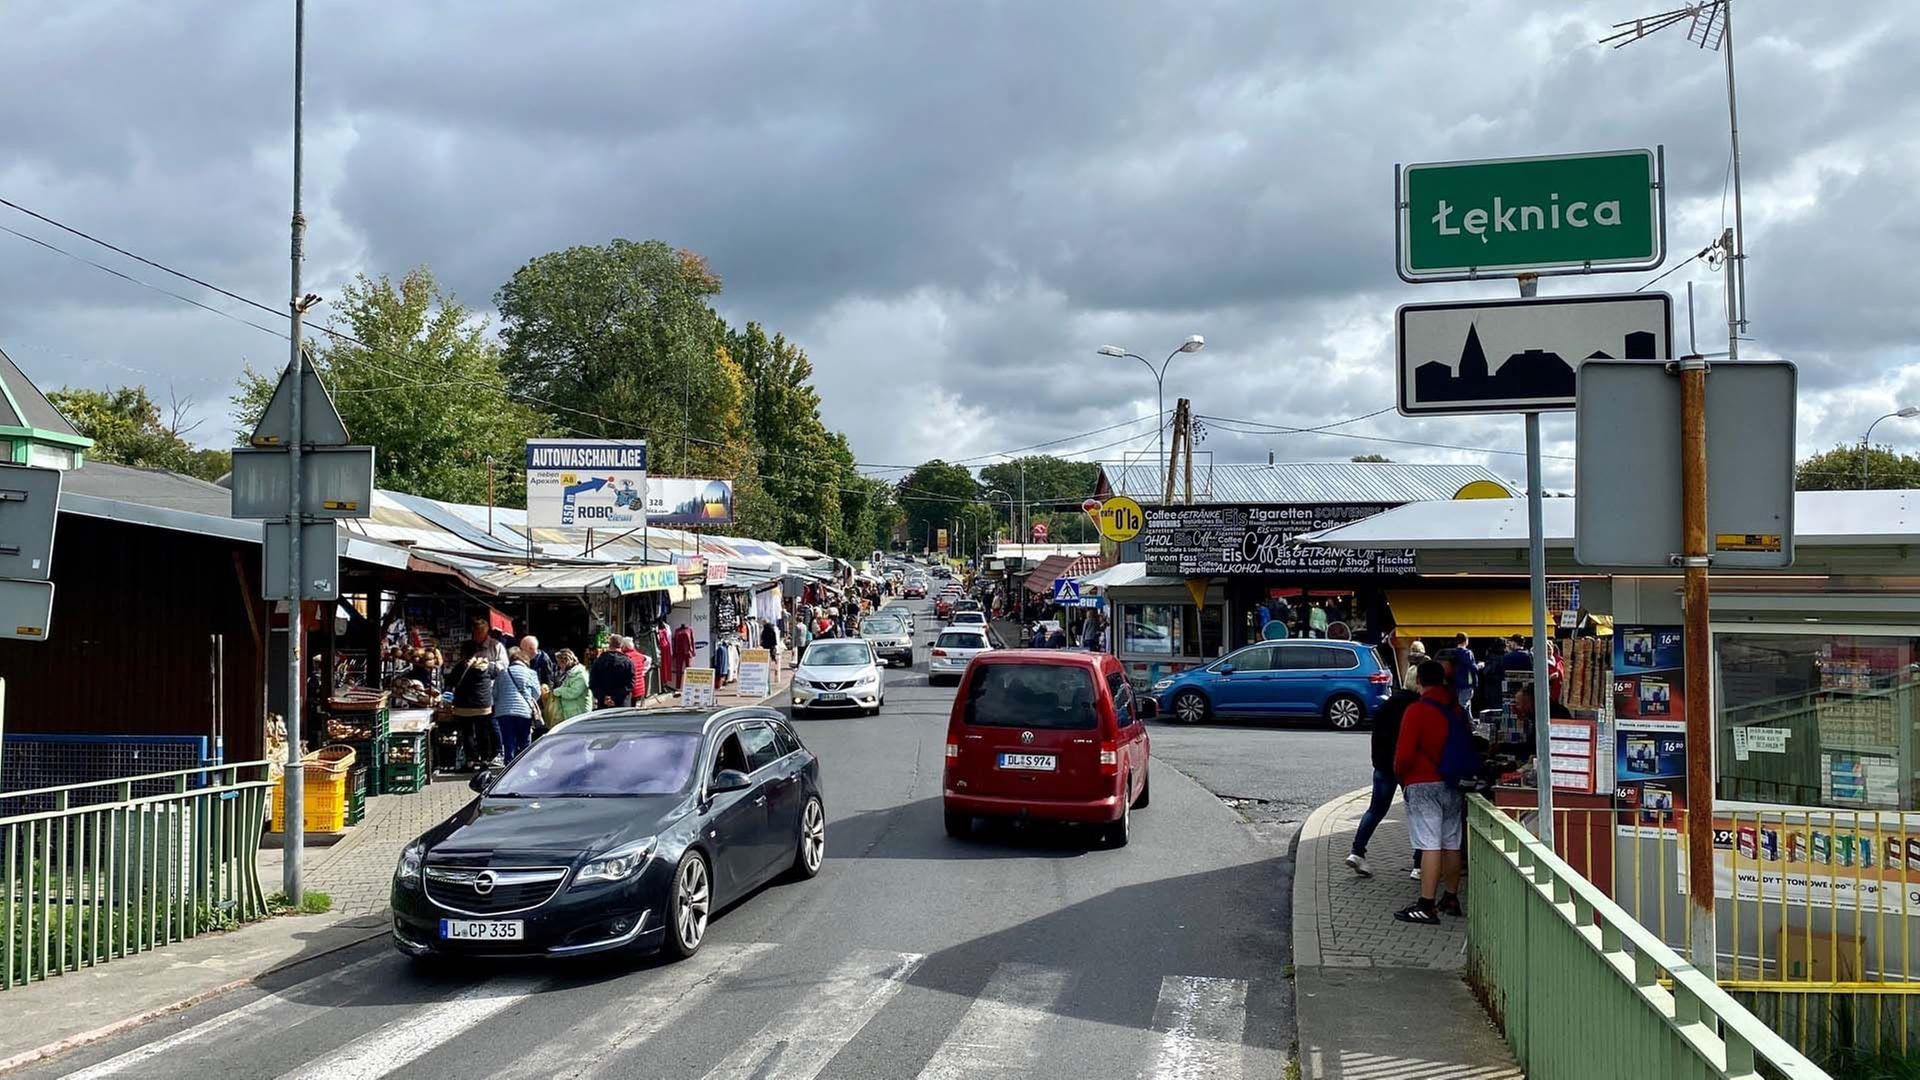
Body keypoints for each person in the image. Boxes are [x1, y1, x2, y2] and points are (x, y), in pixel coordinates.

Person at [1394, 659, 1467, 925]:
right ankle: (1451, 896)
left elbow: (1403, 755)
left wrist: (1403, 777)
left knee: (1429, 845)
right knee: (1451, 842)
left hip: (1423, 783)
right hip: (1452, 783)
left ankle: (1425, 905)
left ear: (1420, 681)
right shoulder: (1456, 710)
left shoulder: (1417, 710)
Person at [1348, 680, 1421, 877]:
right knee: (1418, 815)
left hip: (1383, 765)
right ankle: (1419, 864)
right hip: (1408, 767)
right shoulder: (1418, 706)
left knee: (1375, 810)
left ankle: (1357, 851)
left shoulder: (1387, 704)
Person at [448, 640, 498, 767]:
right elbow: (495, 675)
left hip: (464, 705)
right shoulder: (487, 666)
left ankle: (471, 759)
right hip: (483, 705)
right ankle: (485, 759)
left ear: (463, 653)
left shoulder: (460, 667)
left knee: (467, 733)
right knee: (483, 732)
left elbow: (452, 681)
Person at [492, 647, 541, 764]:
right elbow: (537, 692)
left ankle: (509, 765)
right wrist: (530, 699)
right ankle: (524, 764)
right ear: (526, 661)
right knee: (524, 739)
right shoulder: (531, 673)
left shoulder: (503, 673)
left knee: (508, 739)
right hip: (523, 711)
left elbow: (495, 693)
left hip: (504, 711)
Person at [589, 639, 636, 708]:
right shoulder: (628, 662)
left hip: (603, 703)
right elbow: (631, 684)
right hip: (622, 703)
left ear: (609, 645)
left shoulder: (598, 661)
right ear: (622, 646)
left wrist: (603, 697)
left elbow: (593, 683)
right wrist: (615, 698)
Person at [552, 648, 592, 721]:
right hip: (571, 711)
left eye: (559, 662)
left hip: (578, 711)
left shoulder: (580, 674)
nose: (558, 665)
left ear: (565, 661)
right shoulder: (568, 672)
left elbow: (574, 692)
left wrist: (558, 691)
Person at [619, 635, 650, 703]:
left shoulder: (625, 657)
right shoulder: (639, 656)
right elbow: (649, 660)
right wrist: (643, 671)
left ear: (624, 646)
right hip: (640, 688)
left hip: (631, 689)